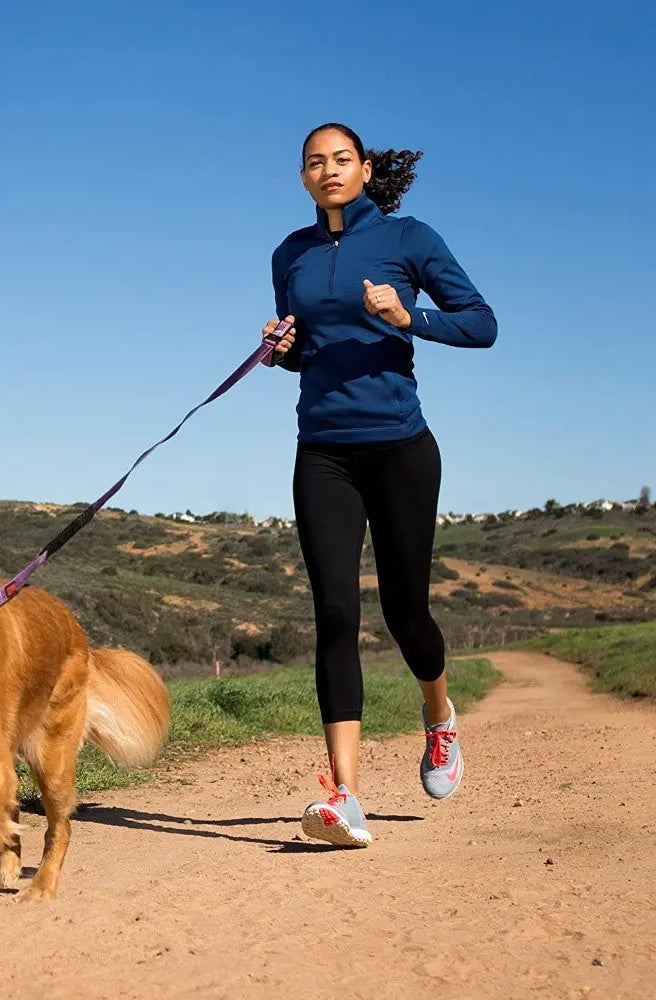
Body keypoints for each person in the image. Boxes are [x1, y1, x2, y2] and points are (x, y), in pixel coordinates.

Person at [263, 122, 497, 847]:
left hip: (400, 449)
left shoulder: (409, 239)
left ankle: (438, 715)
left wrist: (409, 316)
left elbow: (482, 324)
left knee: (406, 613)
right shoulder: (290, 254)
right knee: (335, 613)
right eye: (314, 163)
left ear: (364, 169)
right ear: (303, 177)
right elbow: (313, 353)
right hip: (323, 452)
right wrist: (281, 351)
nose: (328, 171)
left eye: (340, 160)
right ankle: (346, 797)